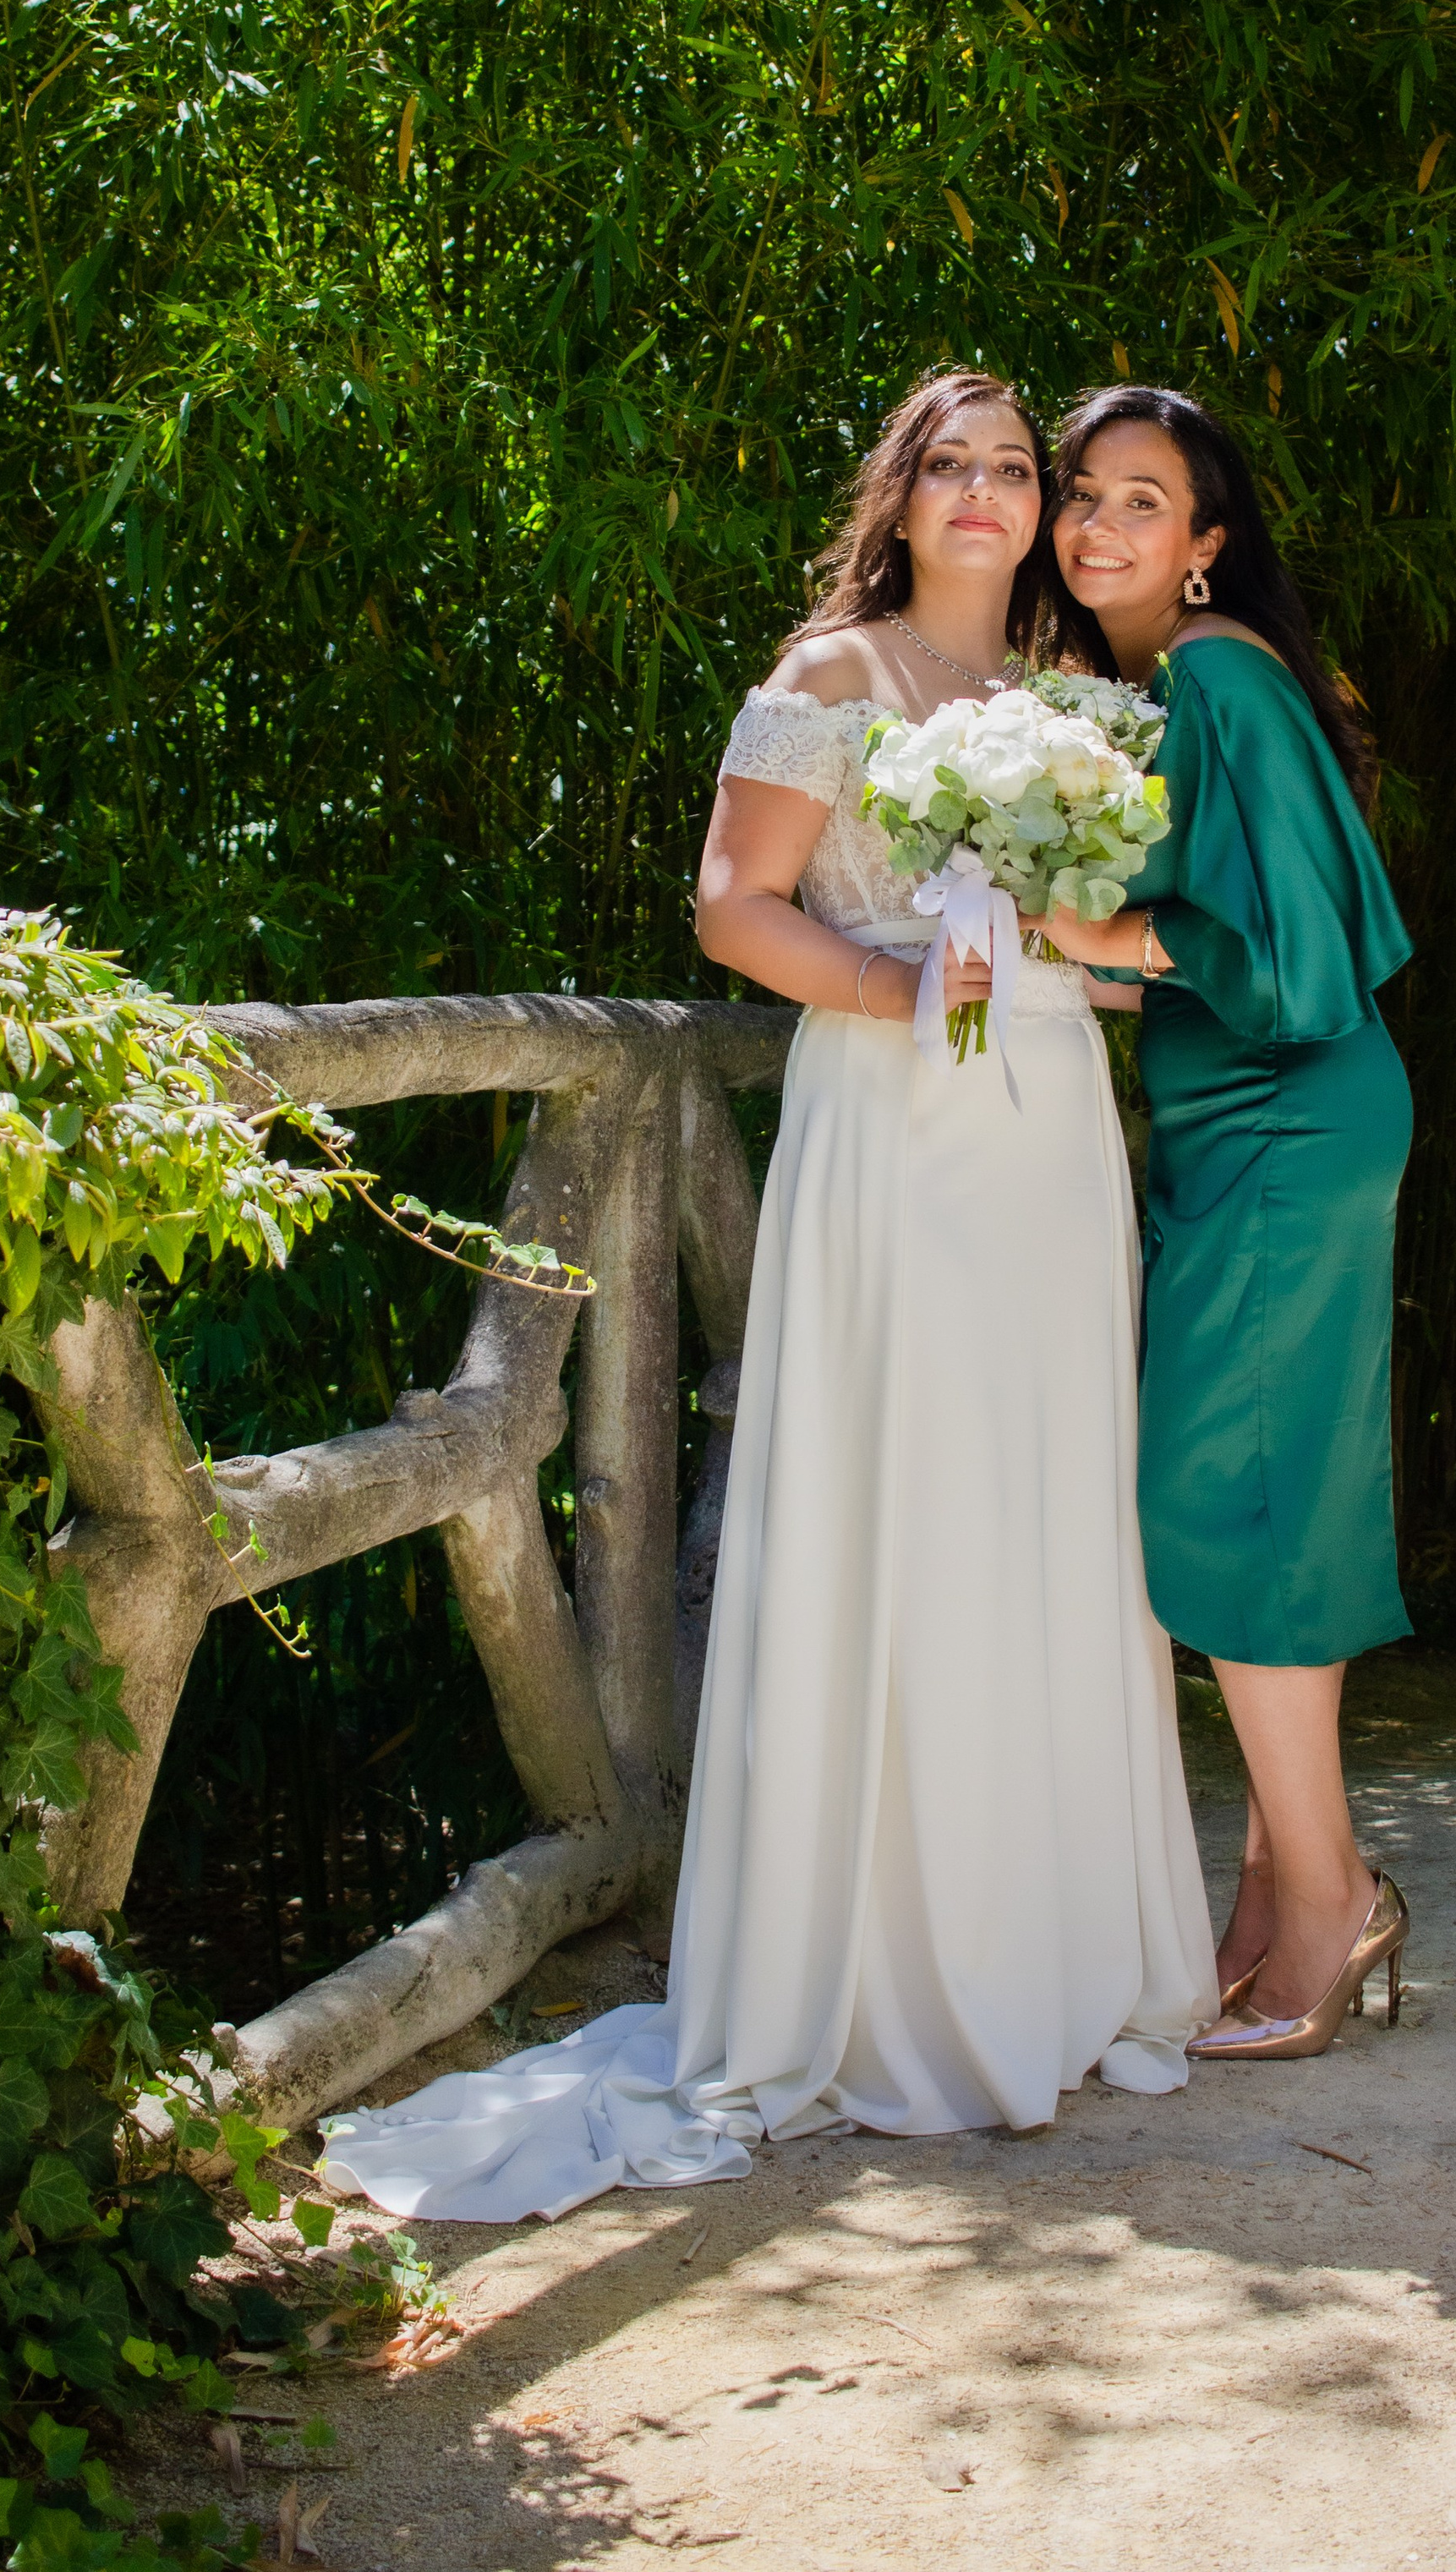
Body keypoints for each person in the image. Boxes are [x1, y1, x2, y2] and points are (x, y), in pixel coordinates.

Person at [318, 367, 1214, 2223]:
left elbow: (1142, 967)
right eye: (945, 464)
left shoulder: (1080, 710)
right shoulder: (827, 681)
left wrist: (1049, 952)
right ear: (893, 498)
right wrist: (919, 986)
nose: (982, 491)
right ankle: (872, 1981)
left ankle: (1041, 1967)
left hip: (1047, 1139)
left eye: (1011, 467)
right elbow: (734, 907)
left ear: (1042, 507)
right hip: (896, 1127)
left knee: (1042, 1514)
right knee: (903, 1508)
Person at [1032, 383, 1413, 2063]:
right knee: (1259, 1493)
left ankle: (1329, 1905)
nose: (1098, 525)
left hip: (1284, 1127)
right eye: (1082, 496)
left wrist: (1085, 935)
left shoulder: (1209, 675)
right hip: (1260, 1126)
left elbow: (1293, 953)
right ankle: (1277, 1892)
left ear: (1203, 549)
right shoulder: (1161, 695)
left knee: (1235, 1501)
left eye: (1141, 502)